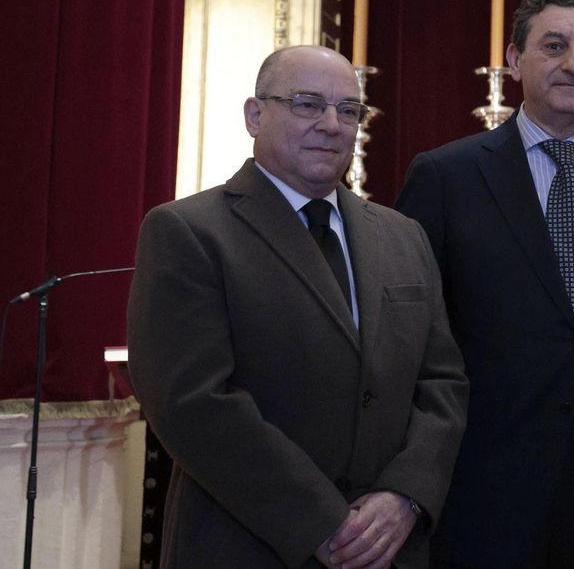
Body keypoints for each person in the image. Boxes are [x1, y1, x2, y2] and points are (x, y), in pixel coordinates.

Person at [128, 45, 468, 569]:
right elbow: (192, 402)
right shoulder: (189, 232)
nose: (332, 125)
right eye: (307, 104)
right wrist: (321, 521)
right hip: (250, 546)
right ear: (254, 114)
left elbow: (442, 383)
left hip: (389, 548)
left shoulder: (404, 236)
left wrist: (405, 496)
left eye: (349, 110)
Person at [395, 0, 574, 568]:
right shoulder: (446, 177)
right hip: (481, 478)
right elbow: (410, 338)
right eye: (554, 45)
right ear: (513, 58)